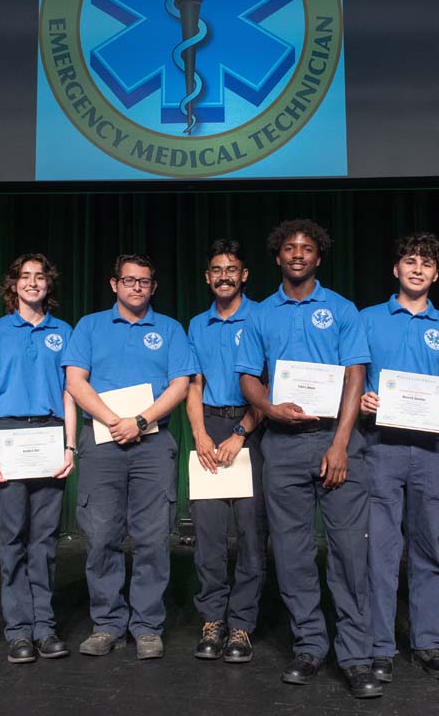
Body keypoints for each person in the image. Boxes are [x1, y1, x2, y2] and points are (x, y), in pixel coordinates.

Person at [236, 219, 382, 699]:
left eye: (307, 248)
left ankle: (356, 656)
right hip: (282, 445)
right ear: (278, 256)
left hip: (336, 441)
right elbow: (248, 378)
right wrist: (268, 406)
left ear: (319, 257)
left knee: (349, 553)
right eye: (289, 248)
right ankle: (309, 646)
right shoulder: (259, 314)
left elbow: (355, 377)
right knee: (292, 553)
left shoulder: (341, 309)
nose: (297, 254)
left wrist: (340, 443)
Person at [62, 254, 196, 660]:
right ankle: (107, 624)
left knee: (152, 538)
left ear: (153, 287)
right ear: (114, 284)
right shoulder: (90, 326)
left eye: (144, 281)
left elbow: (181, 384)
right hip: (101, 442)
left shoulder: (169, 329)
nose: (137, 287)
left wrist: (140, 421)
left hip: (152, 443)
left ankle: (147, 626)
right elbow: (75, 382)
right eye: (129, 280)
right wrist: (113, 421)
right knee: (102, 535)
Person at [358, 232, 439, 684]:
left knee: (429, 549)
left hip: (432, 451)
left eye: (427, 263)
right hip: (380, 447)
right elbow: (353, 379)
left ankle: (428, 643)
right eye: (410, 261)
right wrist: (361, 399)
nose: (418, 269)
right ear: (396, 269)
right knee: (379, 551)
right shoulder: (367, 319)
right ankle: (380, 646)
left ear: (436, 274)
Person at [0, 254, 76, 664]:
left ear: (48, 284)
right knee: (13, 537)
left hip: (51, 435)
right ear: (13, 284)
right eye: (25, 276)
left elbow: (71, 393)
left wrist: (71, 446)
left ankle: (44, 627)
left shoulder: (64, 331)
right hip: (8, 437)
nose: (33, 282)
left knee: (45, 540)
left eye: (40, 277)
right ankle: (18, 630)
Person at [185, 239, 267, 663]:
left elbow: (268, 386)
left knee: (252, 535)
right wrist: (199, 434)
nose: (224, 276)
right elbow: (193, 384)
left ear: (244, 275)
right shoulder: (197, 324)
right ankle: (213, 620)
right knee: (209, 535)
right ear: (207, 277)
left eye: (231, 269)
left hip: (252, 429)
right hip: (209, 427)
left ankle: (241, 625)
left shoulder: (262, 317)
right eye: (216, 270)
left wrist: (240, 433)